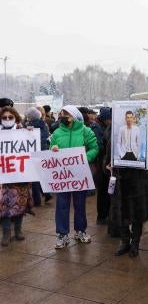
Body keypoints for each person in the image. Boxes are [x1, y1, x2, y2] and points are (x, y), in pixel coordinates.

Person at [50, 105, 99, 249]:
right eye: (62, 114)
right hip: (63, 175)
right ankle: (62, 234)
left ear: (74, 115)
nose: (64, 116)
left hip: (79, 173)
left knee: (79, 204)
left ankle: (80, 231)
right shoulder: (57, 132)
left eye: (67, 114)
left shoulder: (86, 131)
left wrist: (85, 159)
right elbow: (51, 148)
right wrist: (52, 149)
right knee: (62, 205)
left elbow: (94, 148)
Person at [106, 133, 148, 258]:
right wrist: (107, 166)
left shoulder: (142, 137)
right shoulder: (115, 137)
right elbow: (108, 157)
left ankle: (135, 244)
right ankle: (125, 242)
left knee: (137, 214)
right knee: (121, 213)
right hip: (120, 181)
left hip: (137, 182)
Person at [0, 106, 33, 246]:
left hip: (20, 176)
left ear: (16, 118)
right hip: (3, 177)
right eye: (4, 117)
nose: (7, 119)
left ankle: (18, 230)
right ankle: (6, 233)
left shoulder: (23, 132)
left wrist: (31, 134)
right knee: (3, 206)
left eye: (10, 117)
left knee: (20, 203)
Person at [24, 107, 51, 206]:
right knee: (40, 175)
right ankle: (46, 193)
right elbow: (45, 137)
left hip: (33, 153)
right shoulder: (44, 124)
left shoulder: (28, 126)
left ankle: (37, 200)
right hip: (42, 152)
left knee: (34, 178)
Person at [95, 107, 112, 224]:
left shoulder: (104, 126)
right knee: (102, 191)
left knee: (107, 191)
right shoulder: (97, 128)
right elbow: (98, 147)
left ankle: (105, 214)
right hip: (101, 165)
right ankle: (101, 216)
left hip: (104, 163)